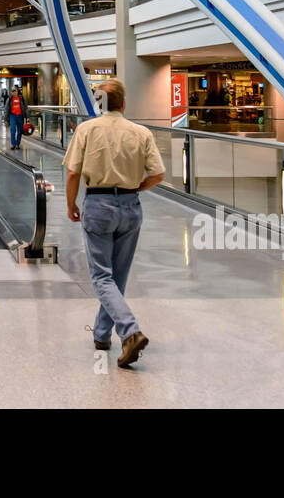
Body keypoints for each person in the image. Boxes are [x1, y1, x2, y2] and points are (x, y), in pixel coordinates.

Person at [64, 79, 165, 369]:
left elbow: (73, 173)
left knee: (101, 276)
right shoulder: (141, 132)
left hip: (98, 205)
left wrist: (71, 204)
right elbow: (158, 175)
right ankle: (101, 334)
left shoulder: (87, 129)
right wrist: (134, 189)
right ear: (123, 104)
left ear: (99, 104)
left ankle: (130, 331)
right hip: (131, 207)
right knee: (117, 275)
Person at [7, 85, 28, 151]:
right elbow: (6, 109)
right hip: (12, 116)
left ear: (17, 91)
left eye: (15, 91)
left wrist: (27, 117)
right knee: (13, 130)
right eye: (12, 91)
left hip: (20, 116)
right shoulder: (9, 99)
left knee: (20, 131)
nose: (14, 92)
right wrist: (6, 119)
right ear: (11, 92)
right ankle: (13, 144)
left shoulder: (21, 98)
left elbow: (25, 108)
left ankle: (17, 144)